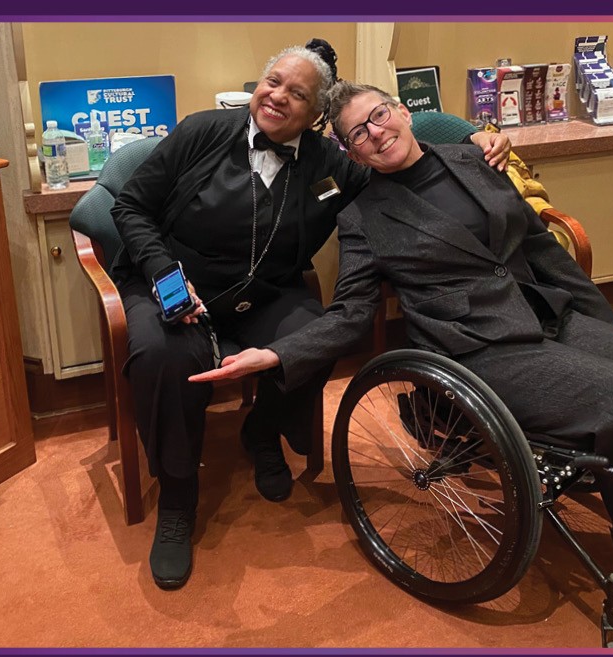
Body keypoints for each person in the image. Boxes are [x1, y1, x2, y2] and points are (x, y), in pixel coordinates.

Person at [192, 81, 613, 622]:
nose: (375, 133)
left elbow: (540, 246)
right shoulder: (362, 219)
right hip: (479, 349)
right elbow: (351, 314)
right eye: (358, 134)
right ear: (354, 154)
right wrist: (277, 354)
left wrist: (602, 327)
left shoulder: (472, 161)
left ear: (404, 112)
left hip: (546, 311)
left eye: (379, 116)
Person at [110, 43, 511, 589]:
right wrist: (164, 276)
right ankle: (179, 499)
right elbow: (130, 206)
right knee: (163, 356)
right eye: (272, 81)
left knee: (316, 335)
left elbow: (403, 127)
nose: (276, 95)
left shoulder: (334, 164)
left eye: (296, 93)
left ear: (318, 115)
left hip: (267, 293)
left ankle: (262, 429)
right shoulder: (201, 131)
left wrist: (473, 134)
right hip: (172, 283)